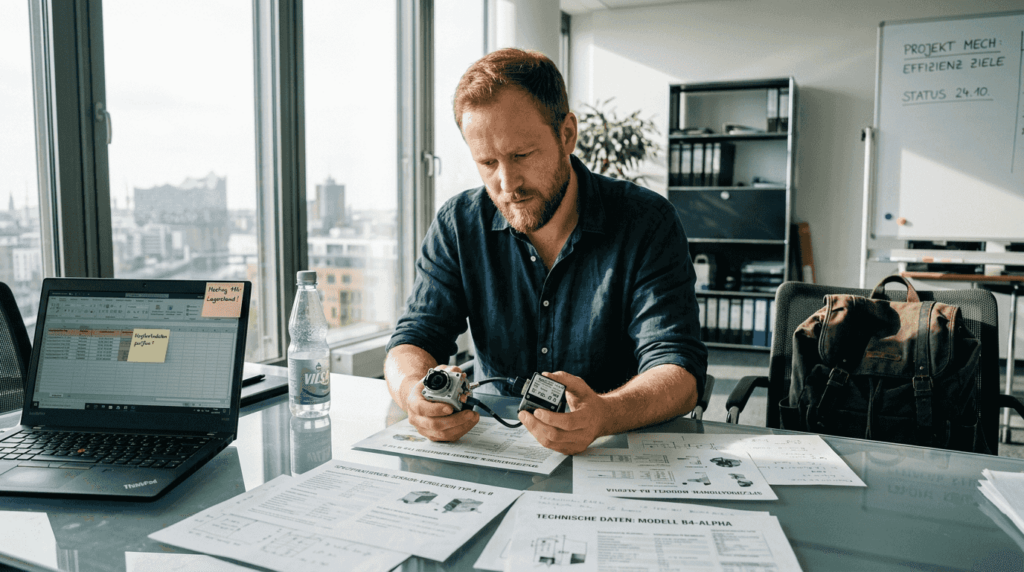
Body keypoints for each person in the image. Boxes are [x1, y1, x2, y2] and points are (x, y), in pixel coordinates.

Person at [384, 48, 707, 455]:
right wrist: (413, 393)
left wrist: (605, 413)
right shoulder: (458, 224)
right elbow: (412, 339)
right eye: (487, 162)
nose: (507, 182)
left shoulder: (647, 221)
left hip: (615, 450)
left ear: (567, 134)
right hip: (496, 450)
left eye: (521, 155)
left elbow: (679, 368)